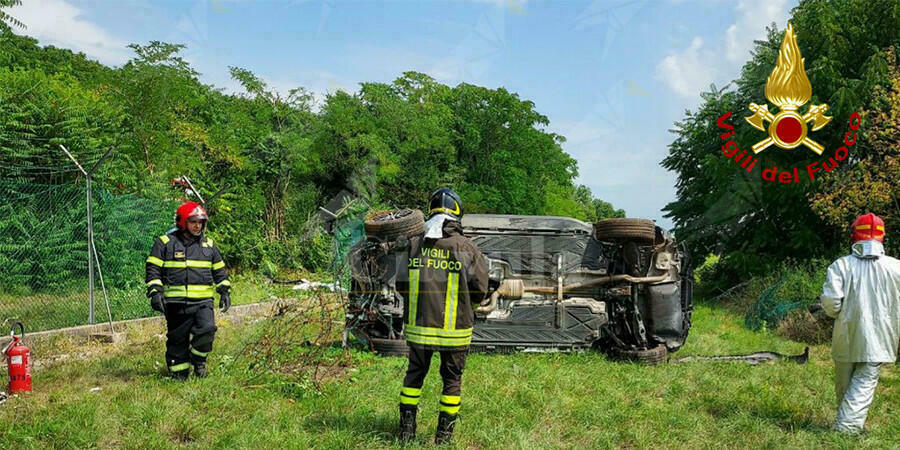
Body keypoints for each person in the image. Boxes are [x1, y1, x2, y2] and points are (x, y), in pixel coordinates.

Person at [395, 188, 489, 444]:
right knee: (451, 382)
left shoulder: (414, 245)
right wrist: (472, 307)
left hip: (418, 329)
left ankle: (406, 433)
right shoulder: (467, 248)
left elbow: (400, 285)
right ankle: (444, 439)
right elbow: (480, 288)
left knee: (414, 376)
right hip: (455, 333)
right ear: (457, 214)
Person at [820, 212, 900, 434]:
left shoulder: (841, 266)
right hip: (880, 335)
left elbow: (831, 301)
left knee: (844, 382)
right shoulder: (896, 268)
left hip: (846, 332)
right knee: (864, 383)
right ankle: (847, 429)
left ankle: (846, 425)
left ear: (855, 235)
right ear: (882, 237)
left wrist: (837, 314)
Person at [145, 201, 231, 380]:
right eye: (193, 222)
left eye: (200, 222)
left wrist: (224, 290)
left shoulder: (209, 245)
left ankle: (199, 360)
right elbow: (153, 269)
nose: (198, 225)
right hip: (175, 304)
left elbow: (219, 270)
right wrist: (155, 292)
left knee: (207, 330)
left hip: (203, 303)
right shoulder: (165, 243)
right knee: (178, 340)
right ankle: (179, 374)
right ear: (182, 222)